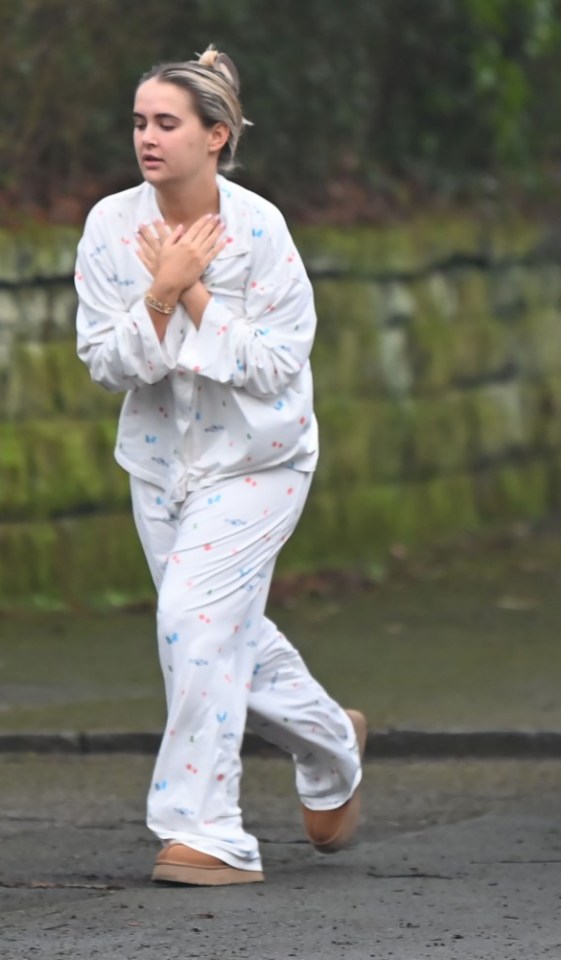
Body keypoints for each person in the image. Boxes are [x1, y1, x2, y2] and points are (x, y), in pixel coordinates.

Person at [74, 45, 366, 887]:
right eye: (138, 122)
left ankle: (209, 830)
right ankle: (332, 742)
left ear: (217, 135)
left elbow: (277, 366)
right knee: (210, 625)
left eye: (166, 122)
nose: (147, 138)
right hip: (160, 466)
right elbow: (106, 362)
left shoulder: (262, 230)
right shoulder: (107, 226)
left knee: (194, 622)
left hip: (259, 461)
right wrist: (159, 292)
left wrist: (194, 294)